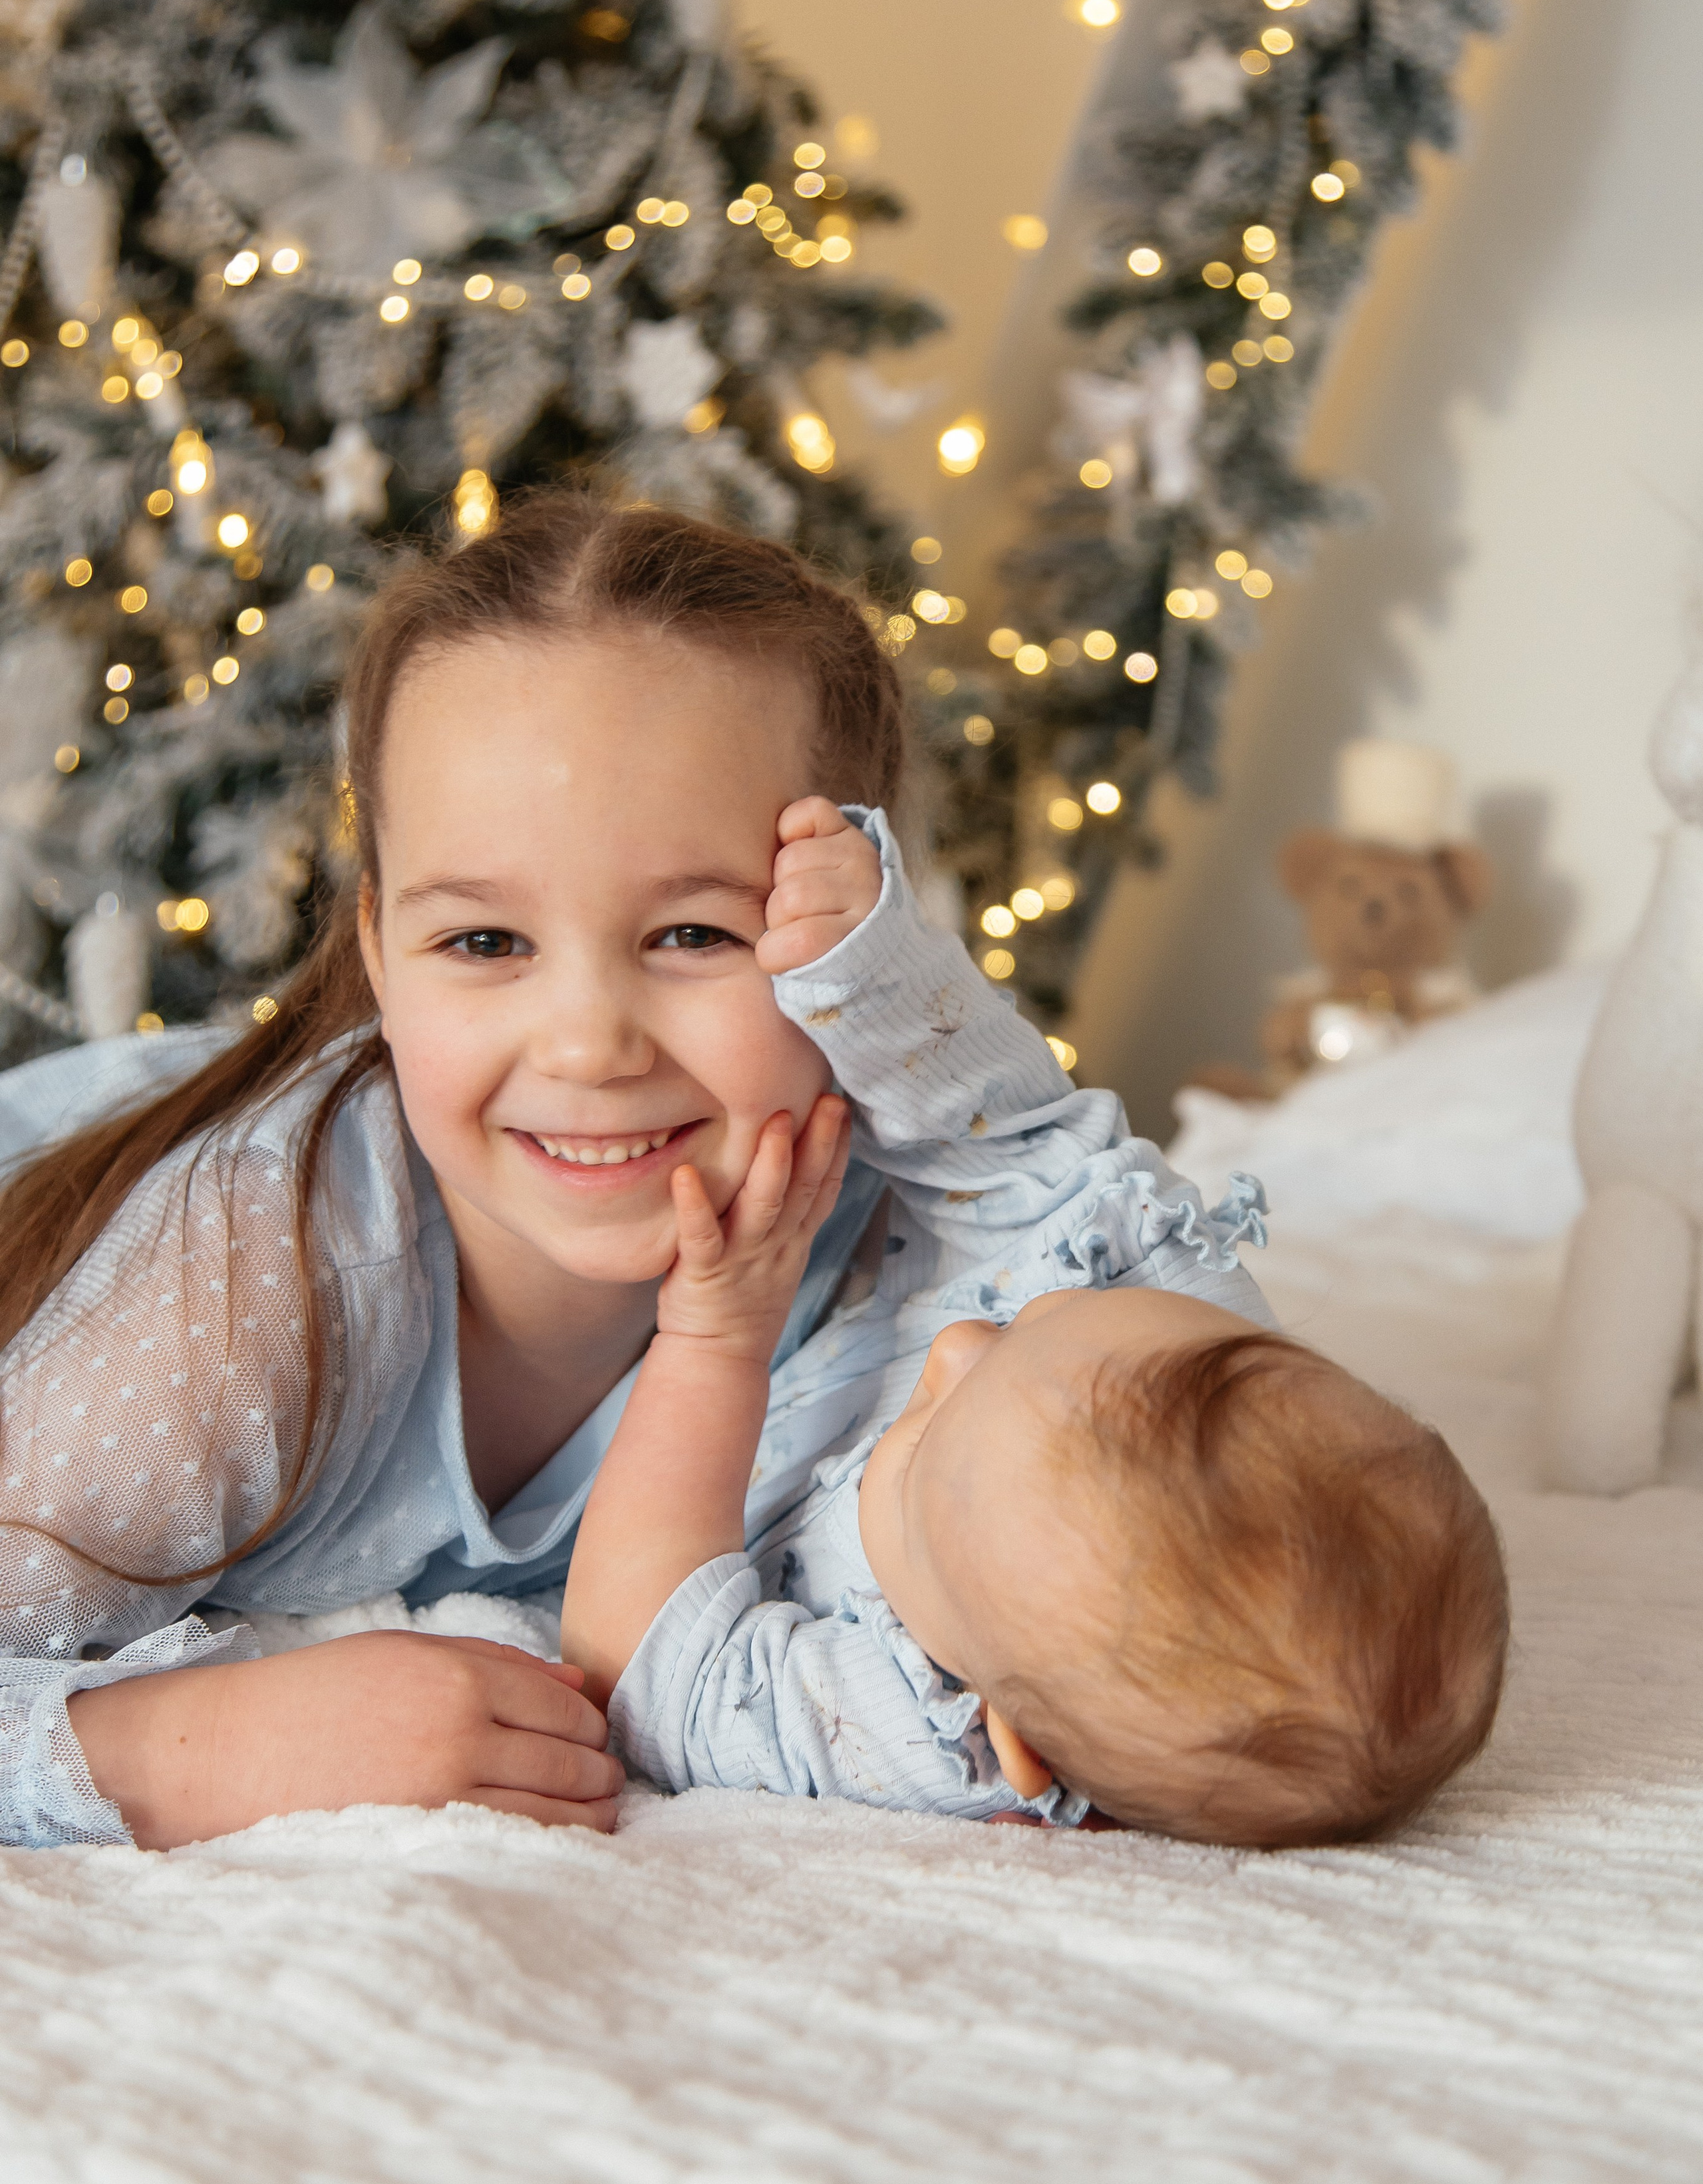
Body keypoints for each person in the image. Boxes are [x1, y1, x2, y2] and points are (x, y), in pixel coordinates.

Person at [0, 494, 1265, 1852]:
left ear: (854, 931)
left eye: (694, 934)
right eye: (484, 943)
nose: (589, 1044)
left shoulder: (892, 1242)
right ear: (378, 957)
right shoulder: (253, 1280)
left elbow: (1195, 1421)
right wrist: (188, 1749)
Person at [563, 808, 1511, 1846]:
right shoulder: (1176, 1315)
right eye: (1034, 1324)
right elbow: (1030, 1157)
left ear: (1007, 1737)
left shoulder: (914, 1728)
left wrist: (714, 1343)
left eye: (923, 1452)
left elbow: (649, 1669)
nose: (958, 1348)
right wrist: (861, 969)